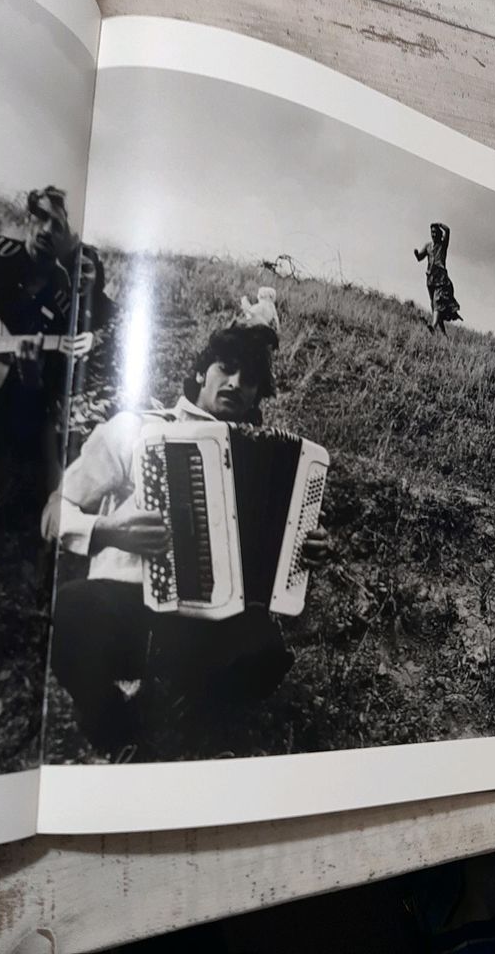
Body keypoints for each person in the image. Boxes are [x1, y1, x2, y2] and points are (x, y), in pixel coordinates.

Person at [43, 323, 330, 759]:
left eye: (249, 378)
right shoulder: (135, 429)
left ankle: (186, 714)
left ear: (257, 395)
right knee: (69, 612)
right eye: (226, 368)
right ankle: (120, 729)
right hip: (127, 609)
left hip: (209, 628)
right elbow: (53, 510)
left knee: (265, 653)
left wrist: (309, 549)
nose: (235, 382)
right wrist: (107, 532)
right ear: (200, 373)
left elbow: (286, 540)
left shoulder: (267, 457)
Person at [0, 186, 93, 533]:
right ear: (28, 218)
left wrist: (30, 376)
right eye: (40, 218)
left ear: (68, 238)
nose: (44, 230)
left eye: (57, 226)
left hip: (8, 408)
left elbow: (46, 396)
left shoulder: (62, 298)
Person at [414, 221, 462, 335]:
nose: (433, 234)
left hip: (441, 278)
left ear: (440, 234)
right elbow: (420, 258)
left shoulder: (443, 245)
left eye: (435, 232)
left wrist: (439, 224)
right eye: (432, 232)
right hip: (430, 278)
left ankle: (433, 326)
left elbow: (448, 230)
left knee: (437, 302)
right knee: (434, 305)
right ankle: (442, 333)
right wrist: (416, 254)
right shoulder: (428, 246)